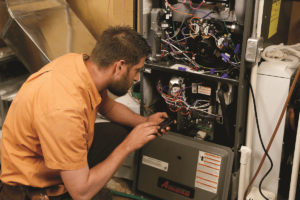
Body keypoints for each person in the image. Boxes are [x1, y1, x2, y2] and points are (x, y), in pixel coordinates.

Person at [0, 26, 172, 200]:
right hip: (32, 189)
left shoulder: (80, 65)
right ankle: (80, 180)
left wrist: (144, 122)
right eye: (136, 71)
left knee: (118, 132)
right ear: (119, 66)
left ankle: (82, 176)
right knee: (96, 194)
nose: (136, 79)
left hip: (49, 155)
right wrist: (129, 145)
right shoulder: (65, 112)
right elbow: (81, 194)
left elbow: (109, 107)